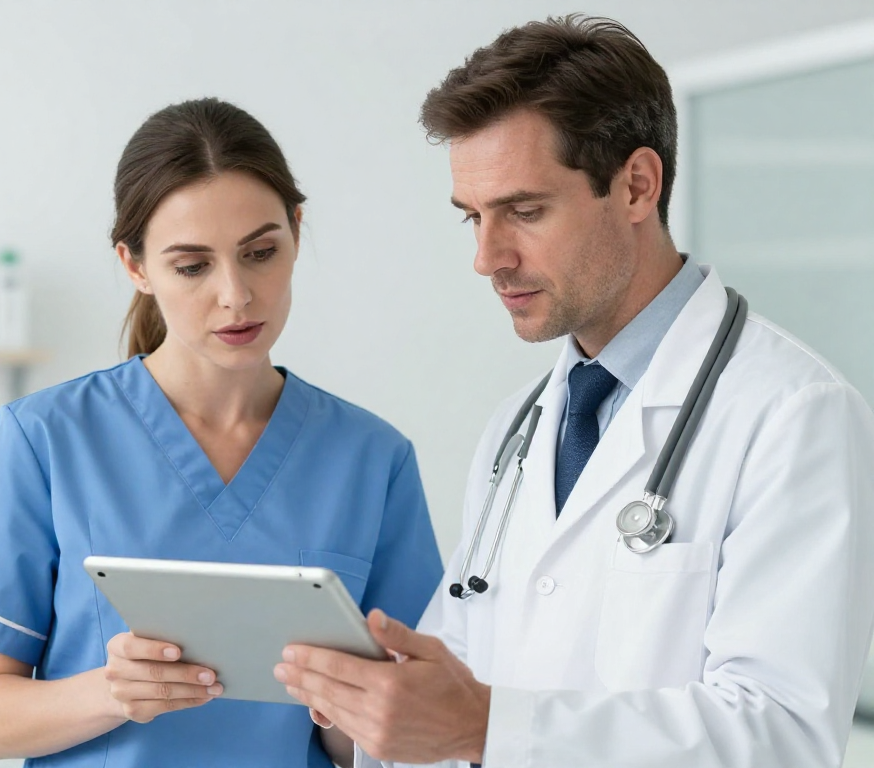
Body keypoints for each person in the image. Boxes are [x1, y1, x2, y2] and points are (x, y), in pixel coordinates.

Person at [274, 15, 874, 767]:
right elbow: (457, 680)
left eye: (524, 212)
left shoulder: (793, 415)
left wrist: (486, 727)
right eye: (474, 218)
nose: (487, 257)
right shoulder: (518, 430)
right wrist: (364, 701)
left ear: (636, 186)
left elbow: (783, 733)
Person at [0, 97, 443, 768]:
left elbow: (390, 738)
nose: (236, 295)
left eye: (261, 252)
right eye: (193, 266)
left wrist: (348, 707)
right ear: (135, 265)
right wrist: (112, 692)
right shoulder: (44, 439)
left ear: (297, 233)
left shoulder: (372, 459)